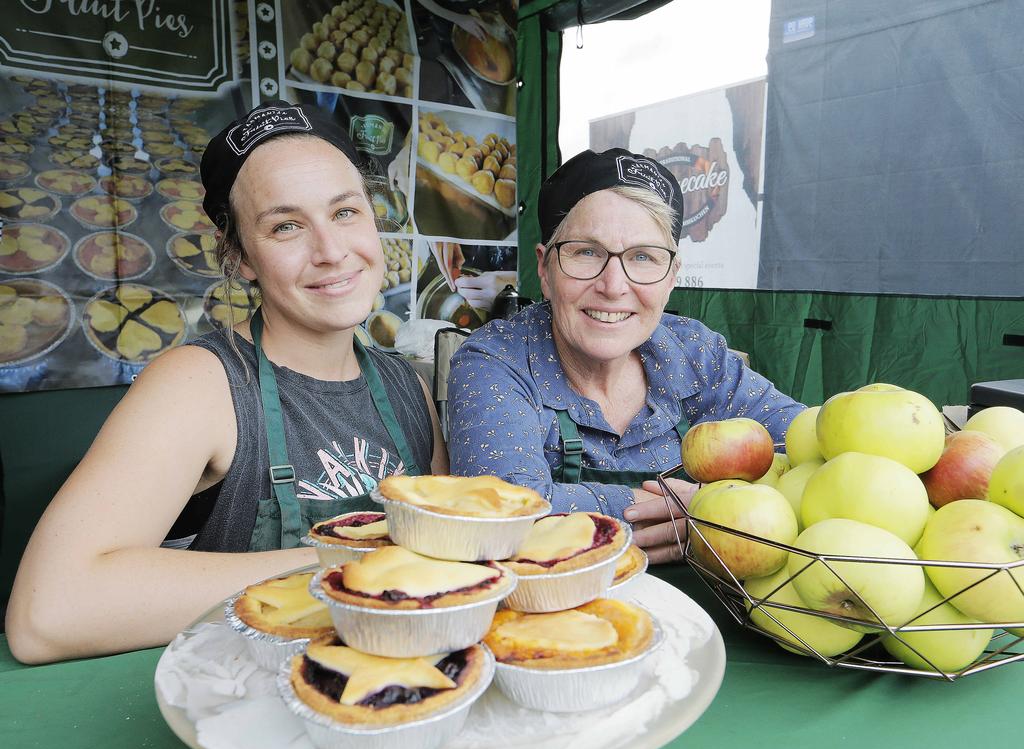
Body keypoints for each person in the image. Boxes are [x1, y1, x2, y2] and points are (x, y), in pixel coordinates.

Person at [6, 102, 447, 664]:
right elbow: (50, 614)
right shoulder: (199, 384)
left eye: (344, 212)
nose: (331, 251)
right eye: (286, 226)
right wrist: (349, 568)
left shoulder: (405, 385)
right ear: (240, 256)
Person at [446, 148, 804, 563]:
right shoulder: (497, 360)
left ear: (672, 277)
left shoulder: (697, 355)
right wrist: (712, 514)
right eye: (586, 252)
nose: (613, 285)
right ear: (545, 270)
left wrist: (707, 512)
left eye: (642, 257)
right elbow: (502, 513)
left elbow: (807, 457)